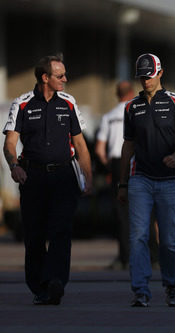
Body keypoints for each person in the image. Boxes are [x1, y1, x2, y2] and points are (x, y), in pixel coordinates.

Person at [2, 54, 92, 305]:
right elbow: (9, 143)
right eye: (60, 75)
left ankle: (55, 281)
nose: (65, 79)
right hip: (33, 177)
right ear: (45, 78)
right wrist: (14, 167)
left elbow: (80, 144)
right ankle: (39, 287)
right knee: (34, 235)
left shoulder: (69, 103)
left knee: (61, 230)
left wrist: (88, 177)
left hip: (64, 176)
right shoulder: (21, 104)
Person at [117, 53, 175, 307]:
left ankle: (173, 286)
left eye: (149, 75)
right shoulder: (131, 107)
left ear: (160, 73)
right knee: (138, 236)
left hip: (169, 180)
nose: (145, 80)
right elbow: (127, 147)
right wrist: (122, 183)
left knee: (169, 238)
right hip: (139, 179)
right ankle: (140, 290)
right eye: (141, 76)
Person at [95, 81, 135, 269]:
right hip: (136, 162)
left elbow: (99, 149)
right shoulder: (137, 111)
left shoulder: (109, 117)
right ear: (132, 93)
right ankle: (152, 257)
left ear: (116, 94)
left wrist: (109, 166)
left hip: (117, 164)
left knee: (121, 213)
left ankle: (124, 257)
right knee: (145, 210)